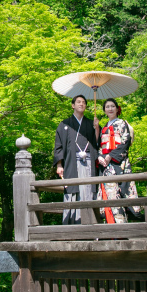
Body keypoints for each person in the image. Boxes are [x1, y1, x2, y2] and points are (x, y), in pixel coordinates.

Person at [93, 98, 141, 223]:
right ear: (104, 110)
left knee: (118, 194)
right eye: (107, 106)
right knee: (107, 196)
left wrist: (110, 156)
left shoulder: (122, 123)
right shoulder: (104, 127)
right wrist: (100, 157)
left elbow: (125, 142)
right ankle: (110, 228)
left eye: (112, 106)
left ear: (117, 108)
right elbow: (99, 145)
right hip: (105, 165)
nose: (110, 109)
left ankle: (121, 227)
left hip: (118, 163)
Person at [53, 94, 99, 224]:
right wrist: (59, 165)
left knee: (88, 190)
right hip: (71, 163)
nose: (81, 104)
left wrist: (97, 129)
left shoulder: (90, 123)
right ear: (73, 105)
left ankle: (90, 225)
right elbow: (59, 145)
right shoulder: (64, 124)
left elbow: (96, 142)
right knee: (72, 191)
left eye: (84, 102)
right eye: (78, 102)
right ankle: (71, 225)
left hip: (88, 162)